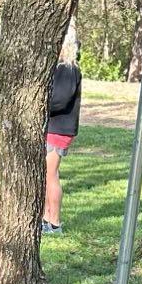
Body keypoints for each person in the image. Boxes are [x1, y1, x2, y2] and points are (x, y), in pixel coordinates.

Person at [43, 36, 81, 235]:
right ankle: (46, 217)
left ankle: (54, 222)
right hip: (53, 127)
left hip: (59, 129)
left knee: (50, 175)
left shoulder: (68, 69)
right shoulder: (59, 68)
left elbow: (60, 100)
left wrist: (38, 104)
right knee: (47, 175)